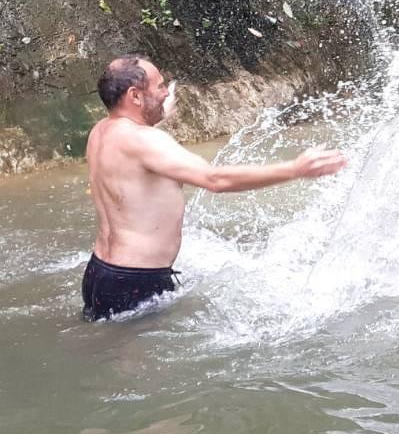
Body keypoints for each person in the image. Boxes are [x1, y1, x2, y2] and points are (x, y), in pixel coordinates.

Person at [83, 55, 346, 321]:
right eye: (160, 86)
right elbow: (214, 180)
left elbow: (137, 154)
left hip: (100, 274)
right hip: (135, 282)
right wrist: (295, 169)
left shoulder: (101, 132)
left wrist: (158, 113)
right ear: (135, 96)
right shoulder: (145, 141)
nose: (166, 93)